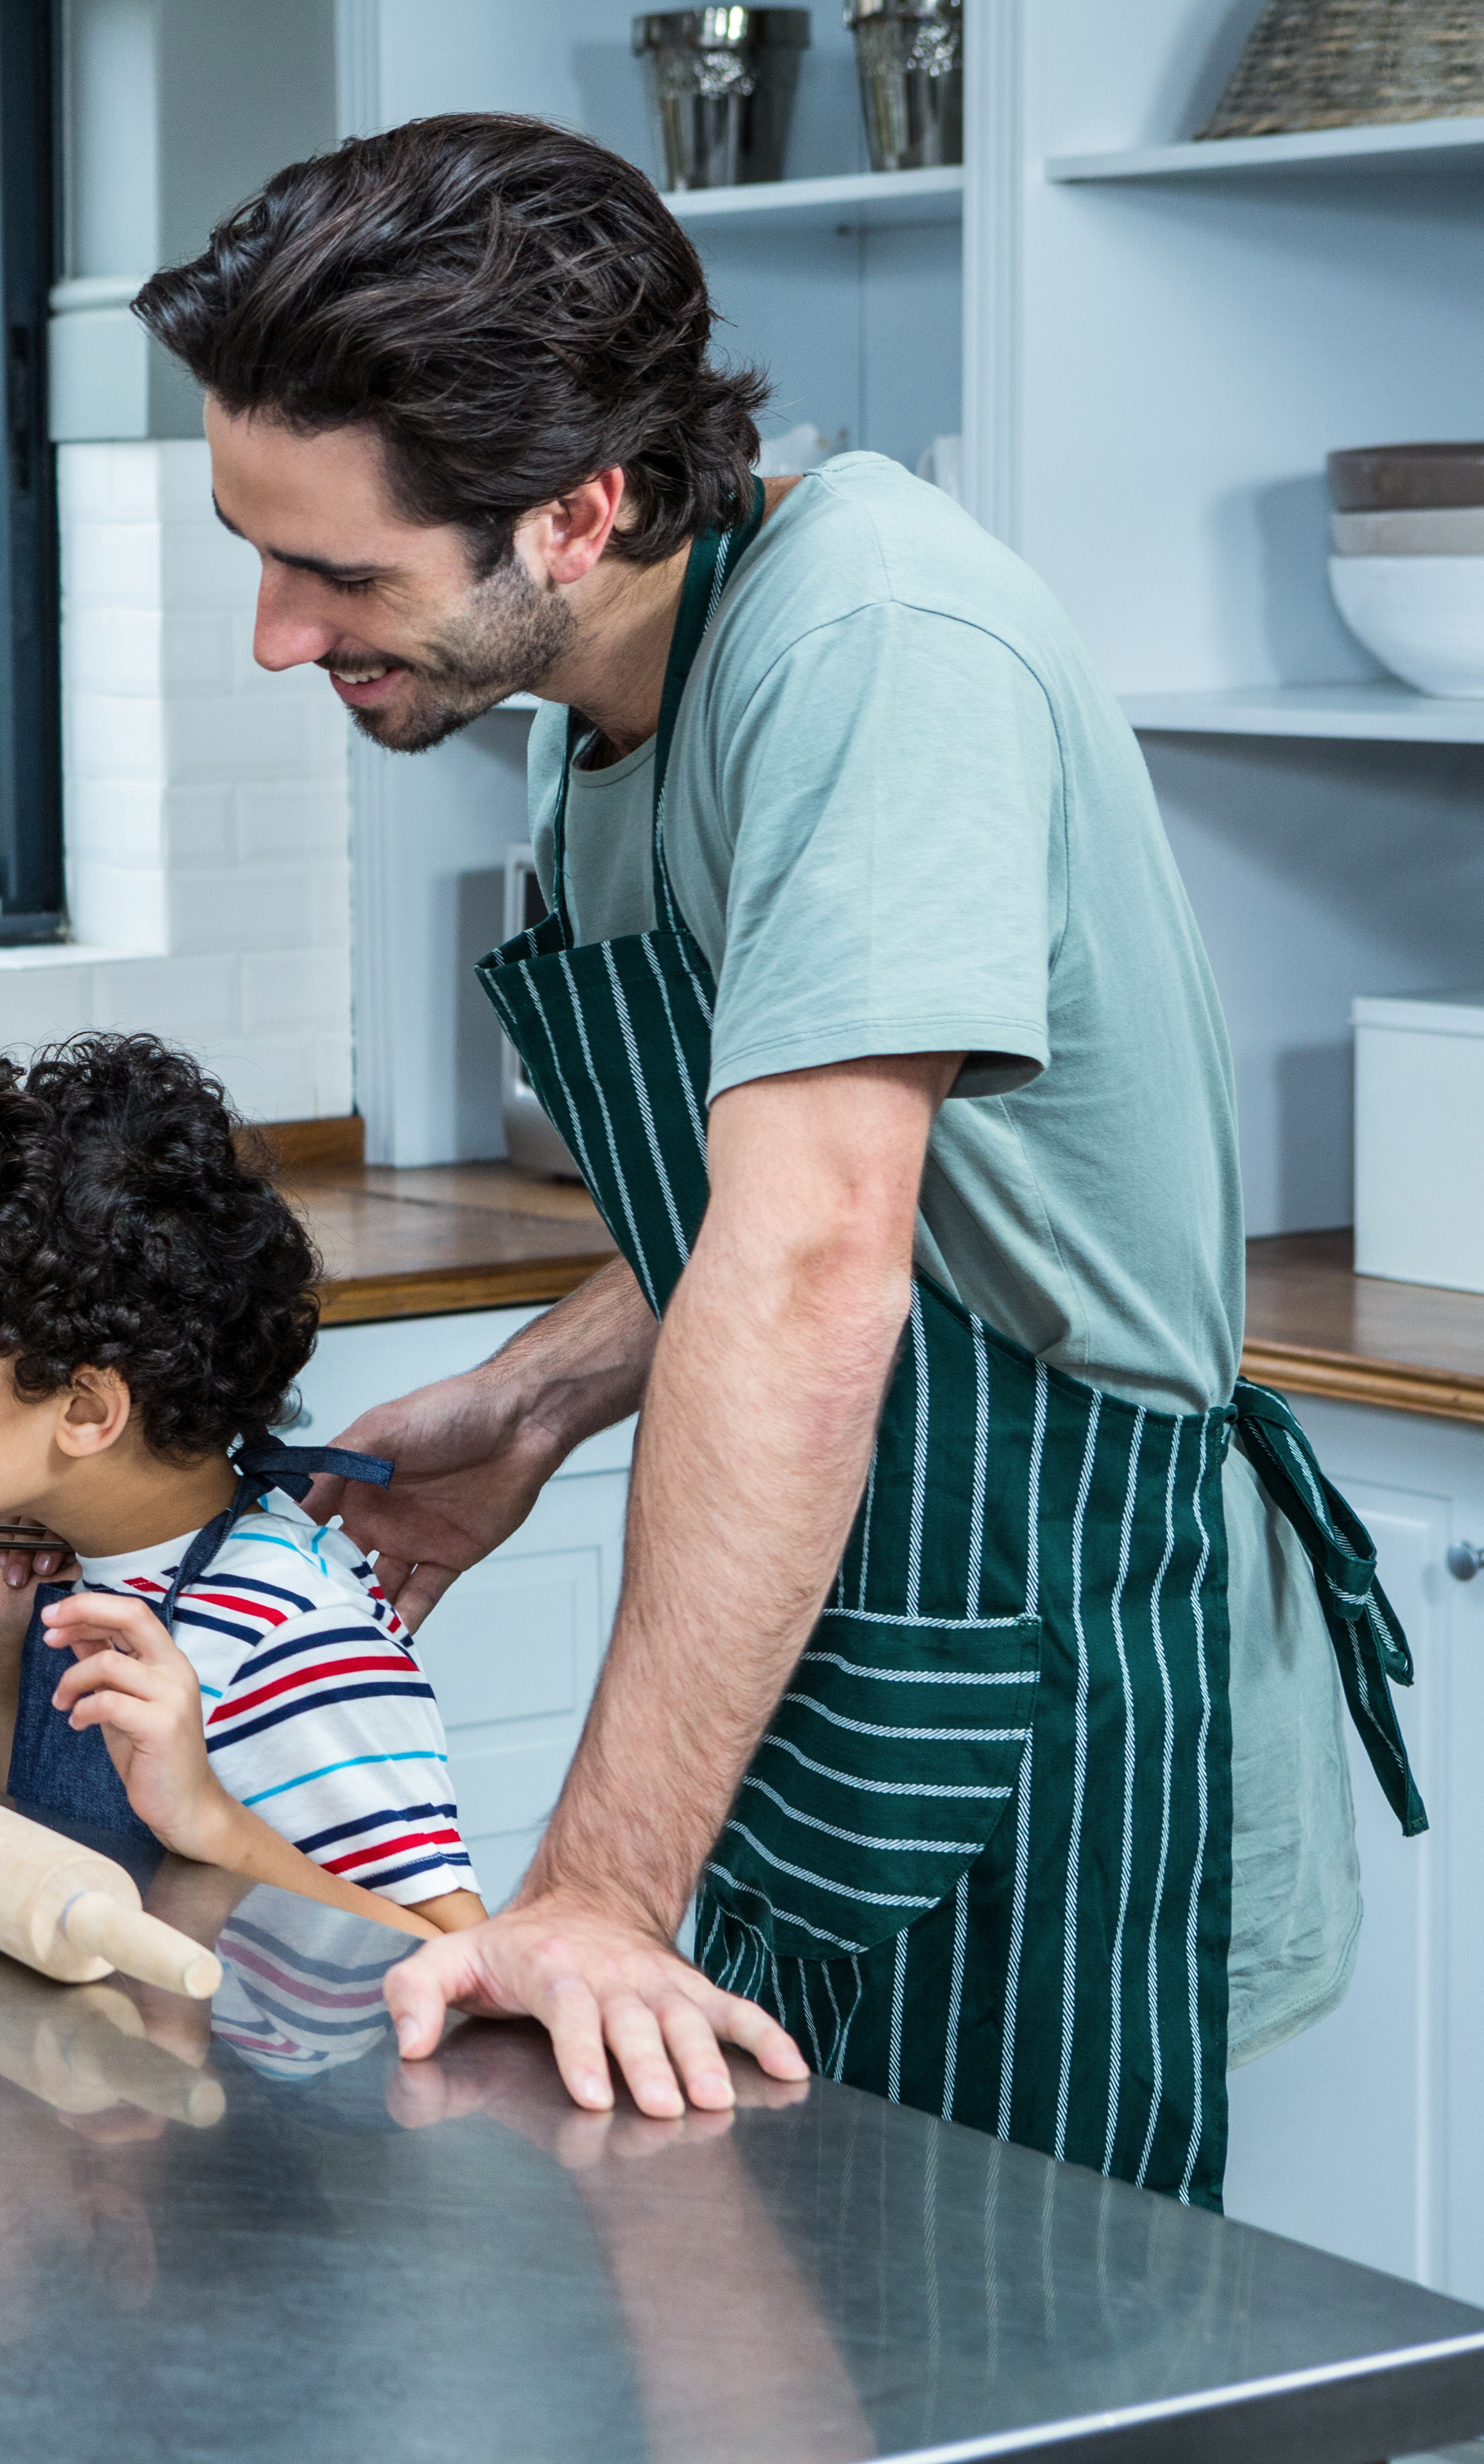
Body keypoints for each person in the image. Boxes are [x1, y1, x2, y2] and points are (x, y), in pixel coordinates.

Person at [126, 115, 1420, 2204]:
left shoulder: (872, 654)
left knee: (1034, 2364)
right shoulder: (610, 694)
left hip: (1039, 1659)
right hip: (849, 1643)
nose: (280, 634)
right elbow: (788, 1188)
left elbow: (823, 1260)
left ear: (579, 510)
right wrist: (537, 1402)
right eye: (256, 551)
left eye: (337, 573)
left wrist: (600, 1891)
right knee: (794, 2308)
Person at [0, 1033, 487, 1936]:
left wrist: (207, 1818)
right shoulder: (88, 1571)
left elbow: (455, 1953)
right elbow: (46, 1862)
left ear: (87, 1410)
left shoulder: (290, 1635)